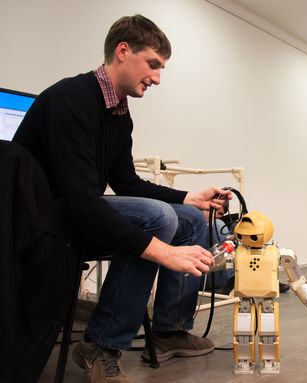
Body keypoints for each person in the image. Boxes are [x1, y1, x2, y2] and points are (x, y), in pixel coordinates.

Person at [13, 15, 232, 383]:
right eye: (153, 65)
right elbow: (82, 200)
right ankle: (101, 344)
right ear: (123, 51)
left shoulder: (119, 115)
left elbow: (125, 182)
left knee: (190, 219)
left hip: (77, 211)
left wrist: (190, 197)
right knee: (156, 217)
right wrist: (162, 251)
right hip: (43, 220)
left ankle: (168, 331)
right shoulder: (72, 100)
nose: (158, 78)